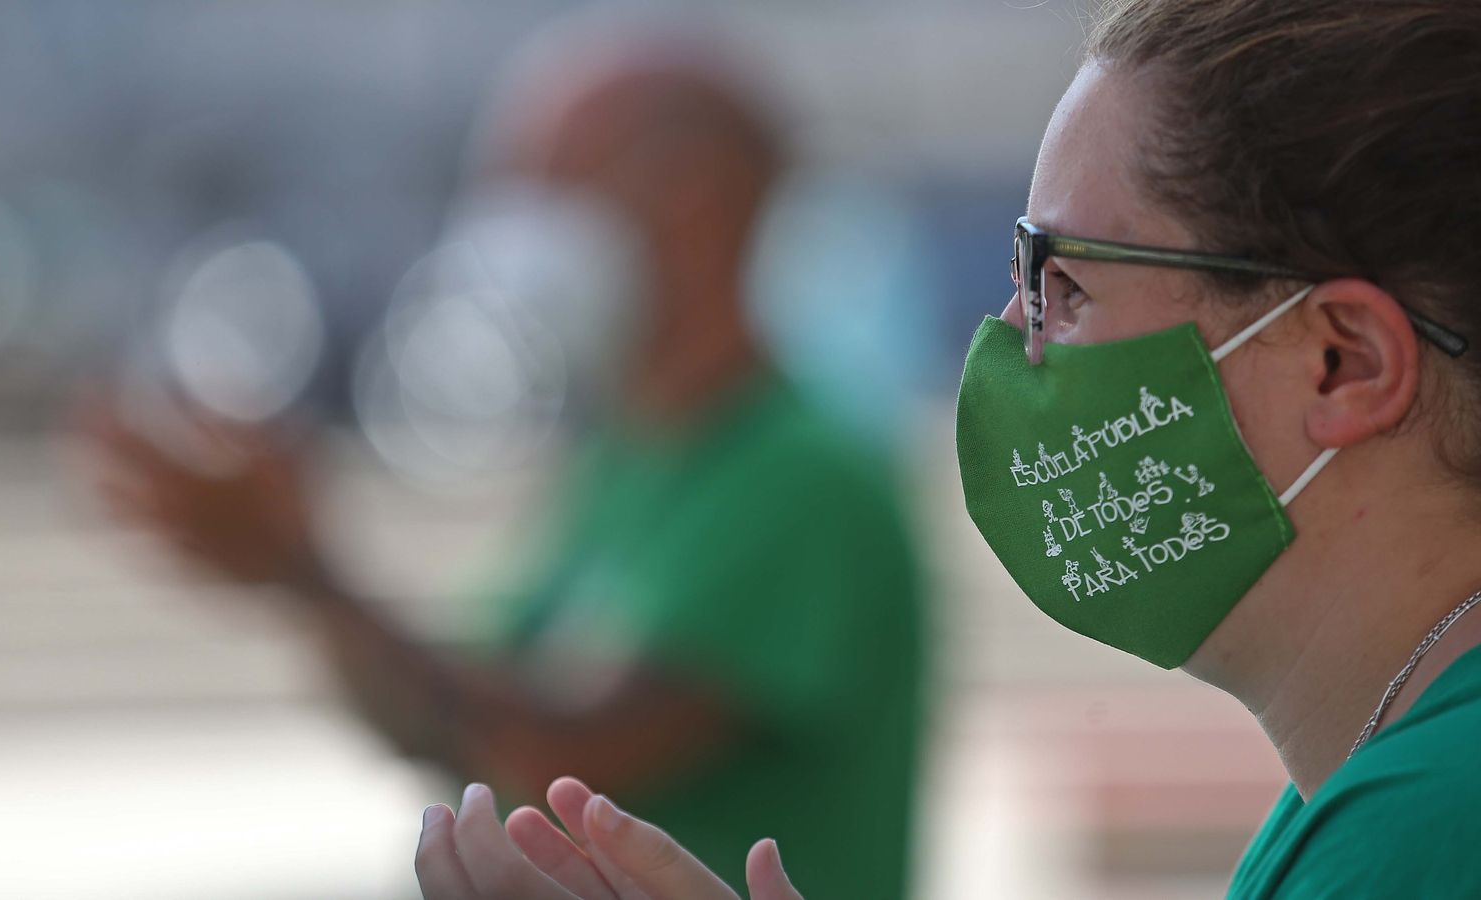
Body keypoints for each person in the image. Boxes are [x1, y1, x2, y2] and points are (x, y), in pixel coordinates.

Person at [416, 0, 1481, 897]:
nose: (1009, 337)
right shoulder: (1375, 790)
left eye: (1062, 282)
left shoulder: (1413, 836)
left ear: (1339, 363)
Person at [81, 19, 927, 900]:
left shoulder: (801, 480)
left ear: (693, 196)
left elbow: (560, 754)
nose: (509, 231)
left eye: (544, 183)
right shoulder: (632, 453)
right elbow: (446, 717)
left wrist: (309, 570)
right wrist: (298, 577)